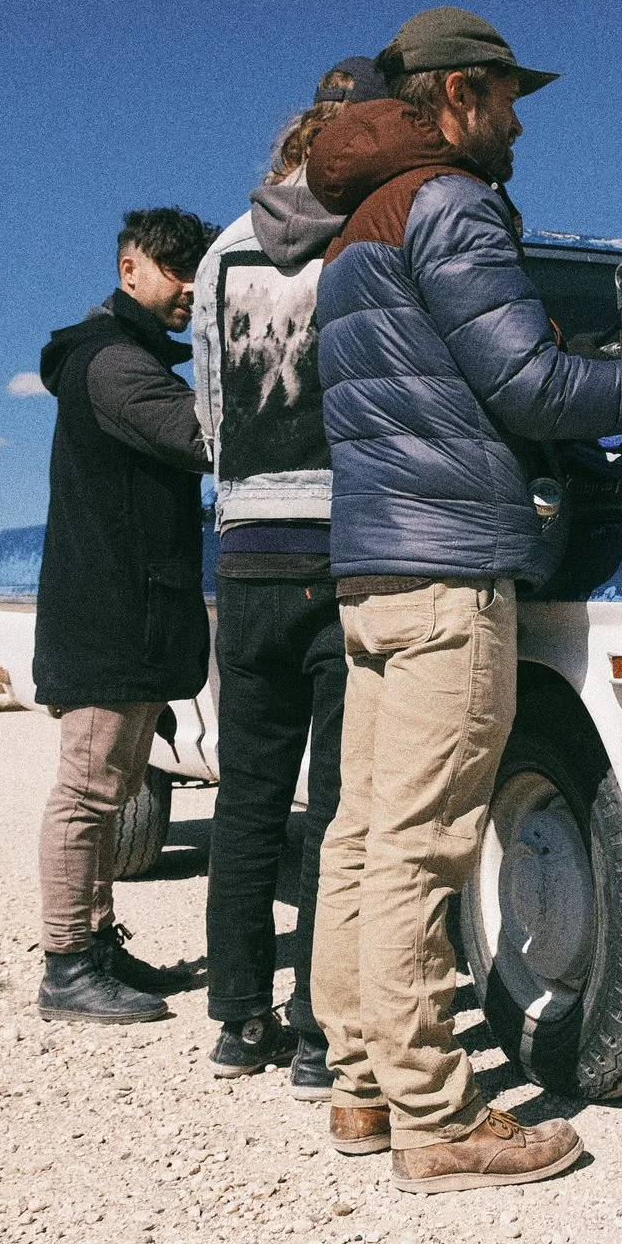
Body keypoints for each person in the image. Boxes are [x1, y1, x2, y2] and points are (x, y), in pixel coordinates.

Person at [304, 7, 622, 1192]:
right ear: (460, 90)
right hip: (450, 567)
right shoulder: (450, 201)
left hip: (372, 564)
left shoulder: (356, 227)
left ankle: (362, 1080)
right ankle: (438, 1118)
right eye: (510, 96)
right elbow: (528, 382)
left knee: (363, 838)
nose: (518, 122)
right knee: (422, 847)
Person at [190, 58, 390, 1087]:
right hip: (336, 543)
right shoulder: (360, 242)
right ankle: (319, 1032)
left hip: (245, 550)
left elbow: (212, 417)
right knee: (336, 806)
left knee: (245, 798)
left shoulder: (221, 252)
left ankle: (237, 1019)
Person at [31, 207, 217, 1024]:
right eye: (176, 271)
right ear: (129, 267)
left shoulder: (124, 355)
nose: (188, 289)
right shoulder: (111, 363)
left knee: (111, 791)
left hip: (125, 612)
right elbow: (199, 435)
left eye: (197, 272)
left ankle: (97, 946)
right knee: (86, 793)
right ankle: (68, 965)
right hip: (108, 615)